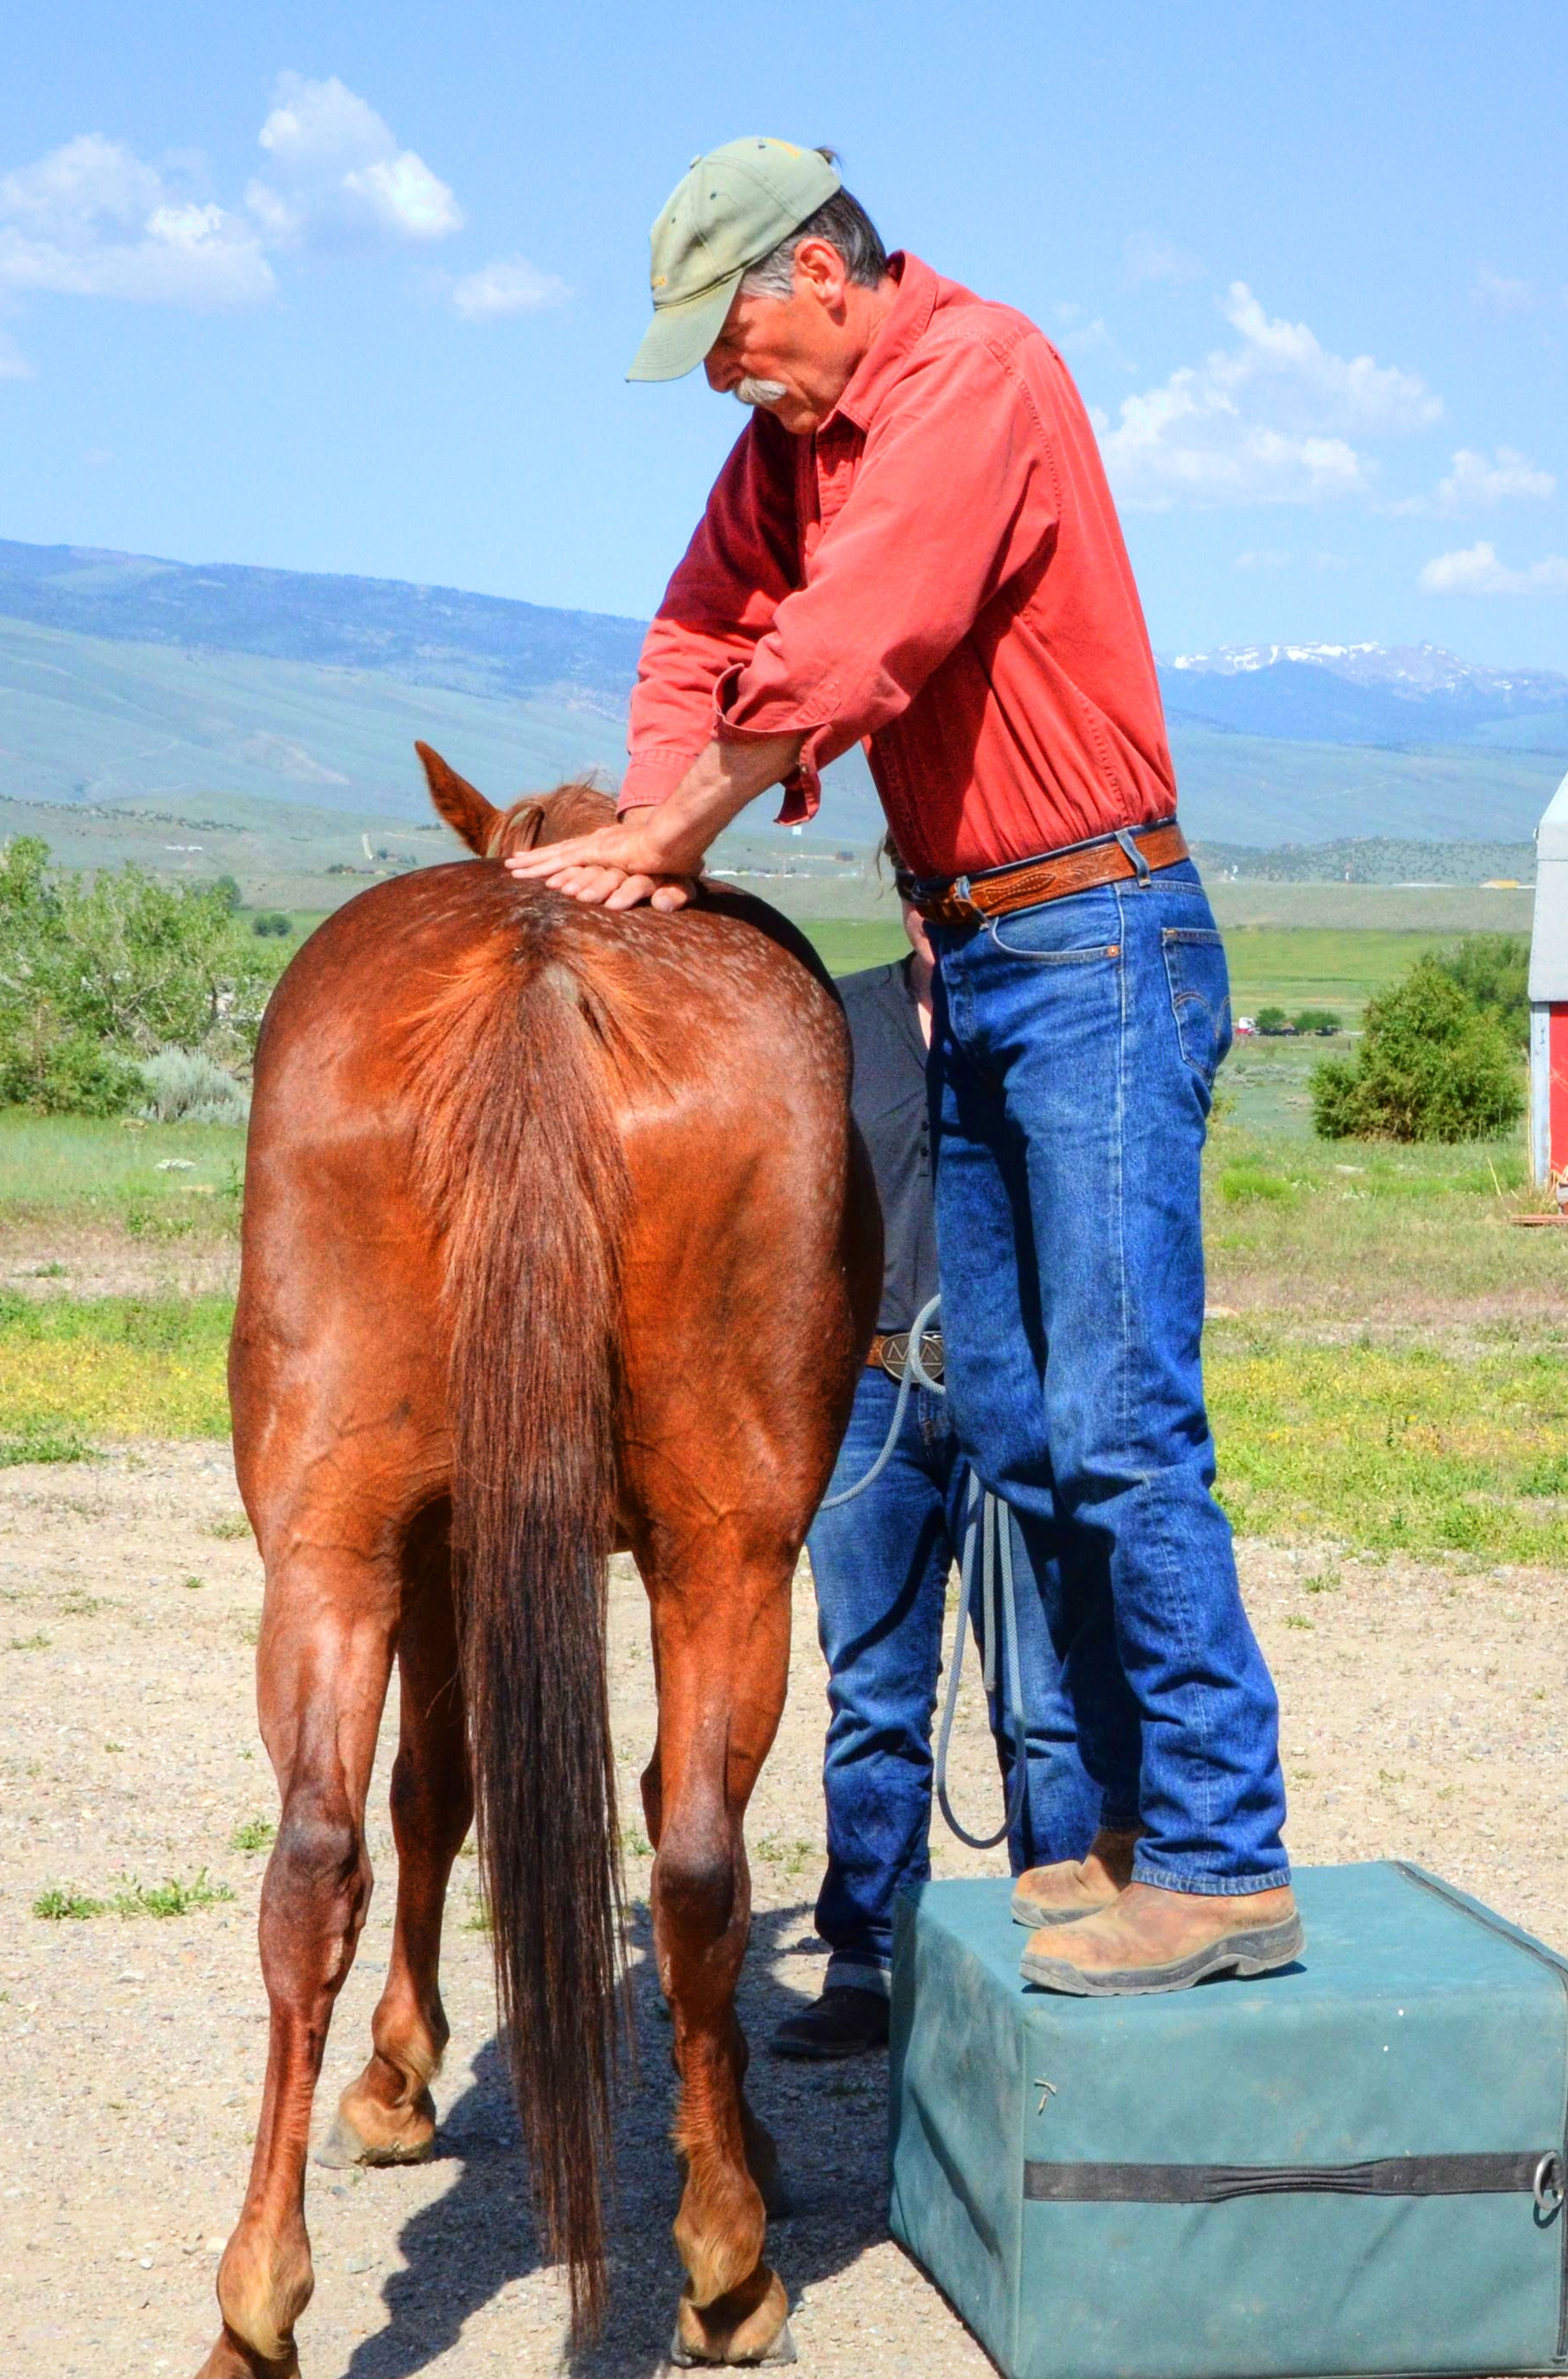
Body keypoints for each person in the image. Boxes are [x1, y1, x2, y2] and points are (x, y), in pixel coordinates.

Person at [510, 137, 1296, 1996]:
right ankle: (1113, 1833)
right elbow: (706, 625)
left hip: (1098, 939)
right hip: (979, 949)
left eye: (732, 332)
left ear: (823, 271)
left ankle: (1222, 1858)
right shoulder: (794, 445)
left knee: (1118, 1421)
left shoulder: (971, 377)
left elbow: (853, 647)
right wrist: (648, 818)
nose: (722, 373)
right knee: (1018, 1422)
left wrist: (679, 836)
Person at [777, 896, 1108, 2058]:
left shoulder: (1043, 1022)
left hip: (1011, 1387)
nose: (940, 912)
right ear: (902, 895)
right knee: (872, 1696)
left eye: (963, 890)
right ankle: (869, 1958)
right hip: (866, 1389)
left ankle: (1064, 1926)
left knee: (1041, 1699)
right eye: (924, 888)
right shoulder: (835, 1022)